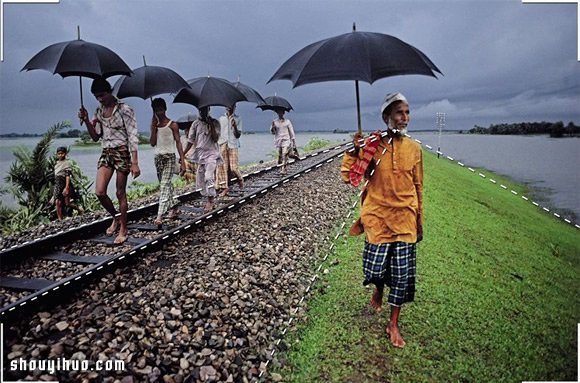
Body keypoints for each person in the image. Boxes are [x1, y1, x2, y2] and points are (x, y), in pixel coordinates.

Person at [340, 92, 423, 348]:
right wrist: (355, 151)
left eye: (407, 112)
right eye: (400, 112)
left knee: (402, 275)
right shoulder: (373, 146)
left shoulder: (415, 148)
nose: (404, 118)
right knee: (374, 269)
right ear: (387, 116)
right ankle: (378, 287)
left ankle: (393, 323)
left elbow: (418, 186)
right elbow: (348, 176)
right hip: (377, 216)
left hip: (405, 218)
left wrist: (419, 219)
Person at [78, 78, 141, 245]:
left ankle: (123, 229)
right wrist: (85, 121)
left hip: (121, 151)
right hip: (106, 152)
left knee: (120, 192)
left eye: (102, 95)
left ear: (110, 91)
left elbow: (133, 136)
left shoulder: (124, 109)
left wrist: (135, 161)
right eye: (96, 96)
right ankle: (116, 216)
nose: (100, 99)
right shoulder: (99, 112)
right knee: (99, 192)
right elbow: (95, 136)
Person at [149, 98, 186, 225]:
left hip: (169, 157)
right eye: (156, 110)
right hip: (158, 157)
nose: (159, 112)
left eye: (160, 109)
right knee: (165, 185)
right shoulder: (154, 125)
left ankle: (159, 216)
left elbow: (178, 143)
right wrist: (153, 128)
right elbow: (152, 143)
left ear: (165, 109)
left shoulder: (172, 124)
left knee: (165, 184)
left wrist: (182, 160)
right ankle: (174, 207)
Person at [183, 106, 222, 212]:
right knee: (200, 179)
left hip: (212, 154)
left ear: (208, 109)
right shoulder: (196, 124)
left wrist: (211, 126)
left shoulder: (215, 122)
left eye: (205, 109)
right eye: (201, 110)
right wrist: (183, 153)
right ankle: (208, 197)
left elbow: (216, 138)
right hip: (201, 155)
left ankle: (210, 200)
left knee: (209, 176)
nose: (203, 111)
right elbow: (190, 141)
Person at [216, 104, 244, 197]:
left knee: (233, 167)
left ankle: (240, 179)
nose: (229, 108)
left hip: (233, 144)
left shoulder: (238, 118)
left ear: (234, 107)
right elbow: (218, 133)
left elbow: (238, 135)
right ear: (225, 107)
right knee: (223, 167)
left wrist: (234, 126)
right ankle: (225, 187)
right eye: (227, 106)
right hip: (223, 144)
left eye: (231, 107)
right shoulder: (221, 119)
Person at [51, 146, 84, 220]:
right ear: (57, 154)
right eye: (59, 154)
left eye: (62, 153)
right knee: (57, 202)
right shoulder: (56, 164)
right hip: (58, 184)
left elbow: (67, 176)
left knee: (67, 203)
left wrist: (66, 187)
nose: (60, 155)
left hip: (65, 184)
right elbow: (56, 176)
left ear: (65, 154)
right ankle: (60, 219)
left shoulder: (66, 163)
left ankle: (79, 209)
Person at [270, 108, 296, 175]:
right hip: (279, 141)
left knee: (284, 154)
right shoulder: (275, 122)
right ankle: (284, 166)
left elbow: (291, 132)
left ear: (283, 113)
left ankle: (283, 169)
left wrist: (293, 142)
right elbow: (273, 132)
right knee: (280, 155)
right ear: (277, 113)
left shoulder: (287, 121)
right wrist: (273, 127)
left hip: (286, 140)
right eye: (279, 112)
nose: (280, 114)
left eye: (281, 112)